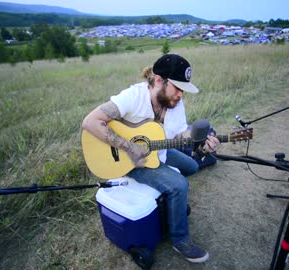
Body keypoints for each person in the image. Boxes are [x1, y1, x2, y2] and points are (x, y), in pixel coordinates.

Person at [81, 54, 220, 263]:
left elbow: (180, 133)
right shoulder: (133, 97)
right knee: (179, 185)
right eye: (177, 87)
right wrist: (128, 146)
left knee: (191, 166)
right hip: (129, 160)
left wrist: (202, 141)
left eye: (183, 90)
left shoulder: (175, 103)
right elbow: (90, 122)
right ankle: (180, 240)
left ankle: (177, 198)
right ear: (158, 80)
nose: (181, 95)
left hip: (158, 151)